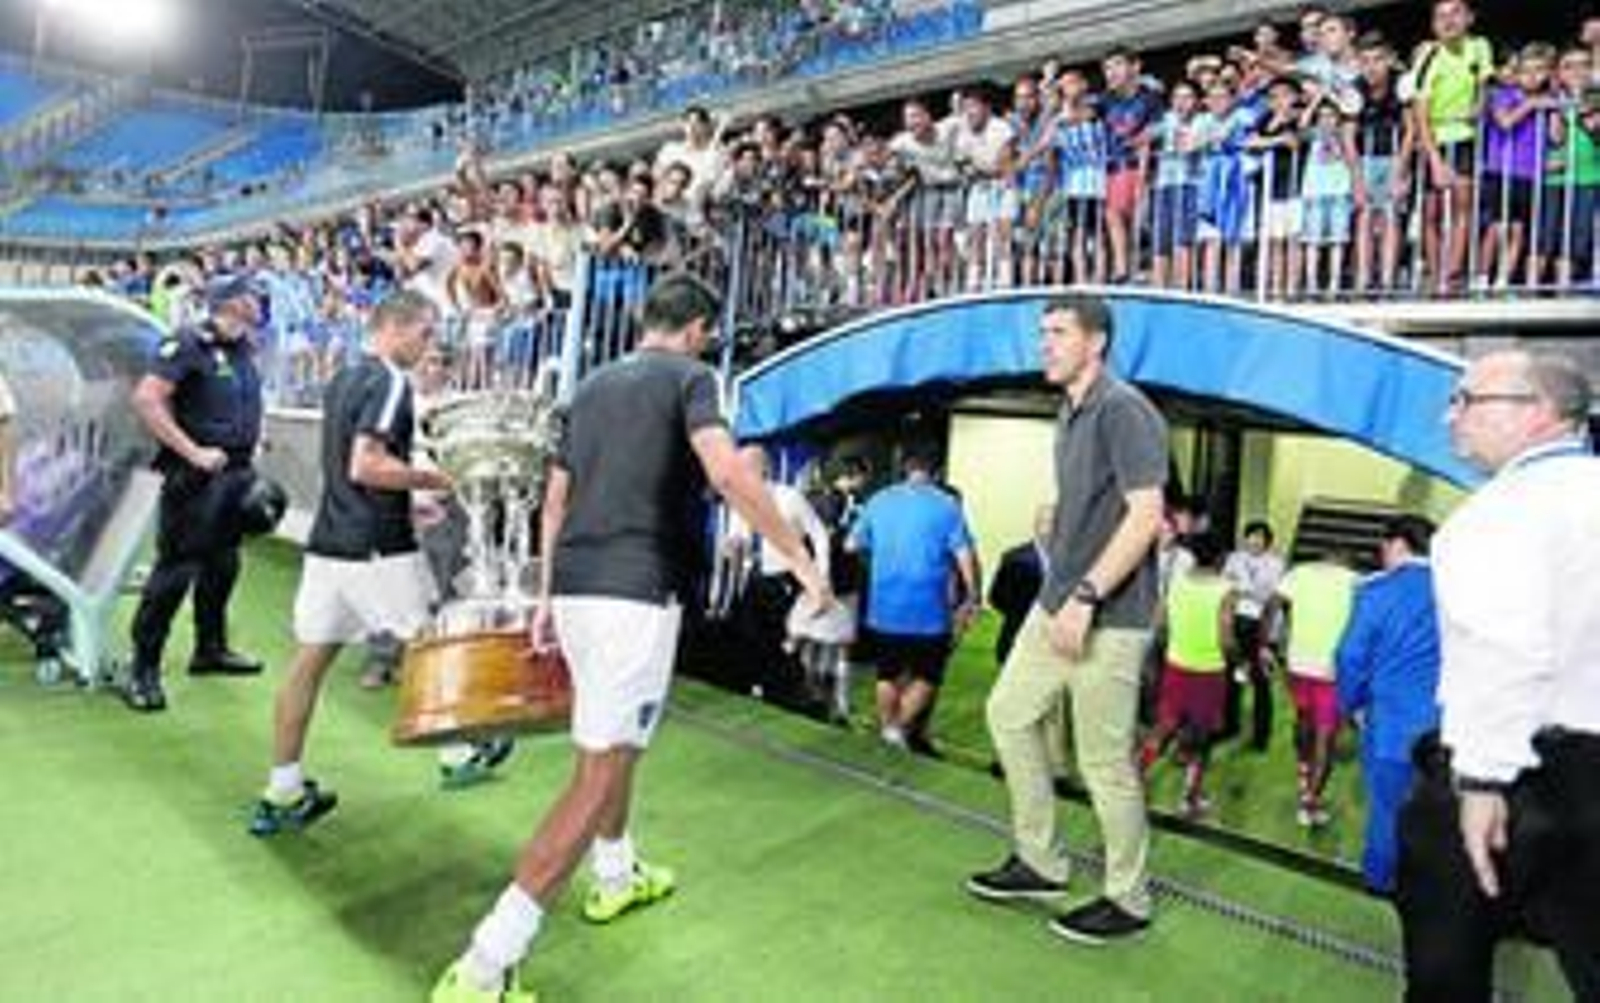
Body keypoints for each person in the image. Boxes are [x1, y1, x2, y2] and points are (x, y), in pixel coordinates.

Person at [432, 274, 832, 1002]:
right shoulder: (694, 377)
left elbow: (555, 501)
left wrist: (548, 594)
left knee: (613, 748)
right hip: (637, 594)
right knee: (599, 773)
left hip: (581, 589)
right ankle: (487, 961)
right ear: (700, 328)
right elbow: (730, 475)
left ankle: (616, 873)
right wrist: (800, 557)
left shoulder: (587, 387)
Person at [1396, 351, 1600, 1001]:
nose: (1448, 416)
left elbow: (1502, 652)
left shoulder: (1495, 516)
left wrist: (1481, 781)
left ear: (1537, 412)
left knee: (1446, 969)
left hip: (1513, 778)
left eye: (1467, 400)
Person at [969, 293, 1167, 946]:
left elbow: (1146, 517)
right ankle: (1041, 860)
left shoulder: (1124, 409)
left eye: (1058, 332)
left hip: (1107, 613)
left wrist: (1085, 595)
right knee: (1008, 713)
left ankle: (1129, 897)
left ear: (1097, 341)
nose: (1044, 343)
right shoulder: (1070, 411)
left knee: (1103, 760)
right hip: (1058, 603)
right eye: (1042, 332)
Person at [246, 291, 457, 837]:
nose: (429, 344)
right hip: (375, 546)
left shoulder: (343, 378)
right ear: (396, 327)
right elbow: (367, 465)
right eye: (425, 333)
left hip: (328, 545)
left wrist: (410, 498)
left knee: (309, 664)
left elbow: (349, 468)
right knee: (429, 644)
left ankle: (283, 788)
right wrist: (434, 481)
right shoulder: (389, 381)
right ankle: (460, 754)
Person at [124, 274, 268, 713]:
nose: (259, 301)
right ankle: (142, 668)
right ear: (230, 302)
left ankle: (210, 649)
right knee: (175, 572)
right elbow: (148, 399)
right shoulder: (188, 343)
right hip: (195, 477)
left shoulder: (244, 348)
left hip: (236, 473)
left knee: (224, 564)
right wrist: (191, 451)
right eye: (251, 294)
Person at [1335, 514, 1440, 896]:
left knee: (1387, 807)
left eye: (1383, 546)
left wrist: (1350, 704)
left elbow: (1350, 656)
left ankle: (1380, 879)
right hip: (1449, 727)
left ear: (1398, 544)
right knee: (1438, 812)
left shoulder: (1375, 591)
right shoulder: (1461, 588)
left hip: (1391, 725)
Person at [849, 450, 979, 752]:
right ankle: (896, 730)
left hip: (884, 607)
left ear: (903, 470)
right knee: (927, 676)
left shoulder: (879, 500)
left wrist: (877, 561)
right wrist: (972, 595)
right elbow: (963, 553)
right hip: (929, 612)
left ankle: (889, 731)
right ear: (936, 473)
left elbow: (853, 543)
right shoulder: (946, 505)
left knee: (887, 673)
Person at [1138, 532, 1235, 819]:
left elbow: (1160, 622)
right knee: (1201, 737)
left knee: (1165, 725)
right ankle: (1189, 799)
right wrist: (1239, 661)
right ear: (1221, 558)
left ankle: (1136, 777)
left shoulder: (1177, 583)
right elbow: (1226, 637)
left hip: (1176, 666)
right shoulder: (1226, 589)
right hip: (1208, 671)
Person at [1267, 551, 1358, 828]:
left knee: (1303, 718)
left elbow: (1272, 605)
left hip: (1297, 664)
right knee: (1325, 738)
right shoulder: (1357, 581)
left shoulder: (1300, 573)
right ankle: (1310, 804)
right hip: (1331, 671)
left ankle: (1303, 766)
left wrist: (1265, 644)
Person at [988, 504, 1053, 668]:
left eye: (1055, 523)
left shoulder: (1070, 559)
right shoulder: (1014, 558)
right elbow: (996, 597)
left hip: (1053, 643)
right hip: (1016, 637)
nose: (1051, 528)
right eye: (1046, 522)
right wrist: (1023, 614)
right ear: (1036, 525)